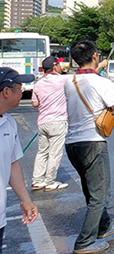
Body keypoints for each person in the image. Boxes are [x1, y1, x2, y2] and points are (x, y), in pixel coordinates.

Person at [64, 40, 114, 253]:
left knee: (91, 190)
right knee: (100, 194)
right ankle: (84, 243)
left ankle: (104, 225)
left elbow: (93, 94)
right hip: (92, 143)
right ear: (96, 56)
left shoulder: (69, 81)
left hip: (72, 144)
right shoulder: (102, 83)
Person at [0, 68, 39, 252]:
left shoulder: (9, 123)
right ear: (6, 92)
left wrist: (25, 200)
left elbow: (12, 163)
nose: (23, 91)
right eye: (19, 87)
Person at [31, 56, 70, 191]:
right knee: (55, 153)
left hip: (42, 122)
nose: (61, 67)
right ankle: (50, 181)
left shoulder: (38, 84)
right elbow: (80, 79)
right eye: (59, 65)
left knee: (42, 152)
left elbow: (35, 103)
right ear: (54, 67)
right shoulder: (61, 80)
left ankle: (37, 180)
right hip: (57, 121)